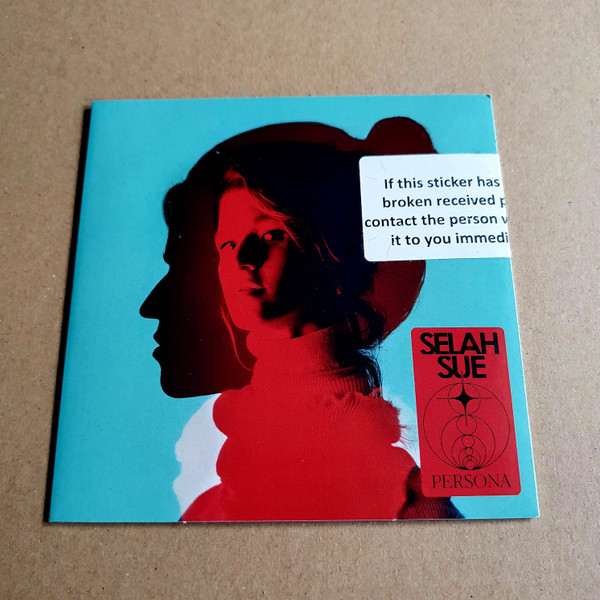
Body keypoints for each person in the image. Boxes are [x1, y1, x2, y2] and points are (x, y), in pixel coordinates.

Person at [141, 119, 461, 521]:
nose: (242, 258)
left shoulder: (410, 502)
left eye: (271, 234)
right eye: (228, 242)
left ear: (332, 252)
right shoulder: (210, 506)